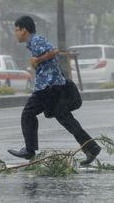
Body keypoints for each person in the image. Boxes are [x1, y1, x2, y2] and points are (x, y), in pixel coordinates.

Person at [8, 16, 101, 166]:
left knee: (28, 113)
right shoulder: (34, 42)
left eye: (17, 30)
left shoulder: (36, 40)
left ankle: (29, 150)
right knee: (64, 118)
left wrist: (37, 60)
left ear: (24, 30)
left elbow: (54, 51)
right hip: (55, 86)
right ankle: (92, 147)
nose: (15, 33)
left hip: (48, 87)